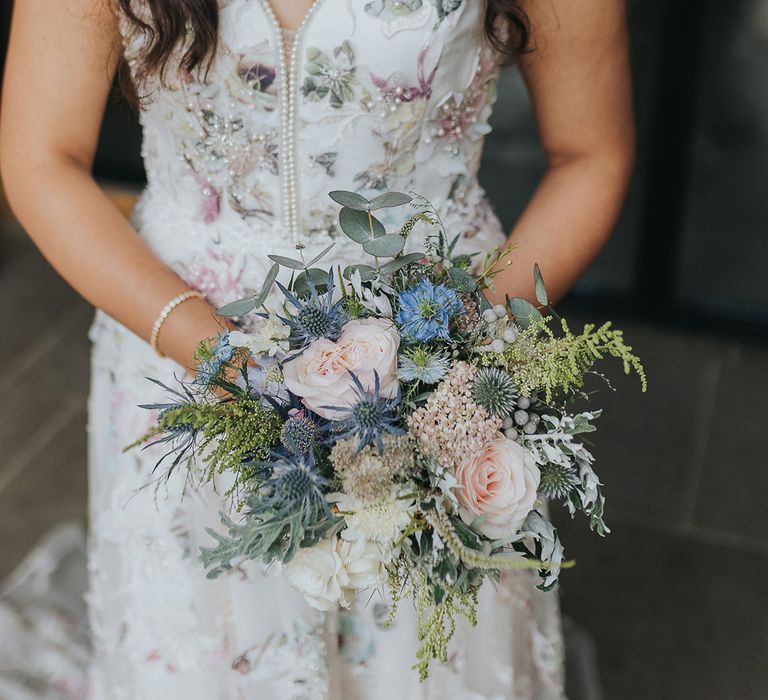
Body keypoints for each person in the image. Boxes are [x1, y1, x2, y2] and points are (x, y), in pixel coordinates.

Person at [0, 0, 633, 697]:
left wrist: (448, 354)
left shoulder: (446, 360)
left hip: (437, 360)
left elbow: (590, 154)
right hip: (173, 346)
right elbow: (41, 157)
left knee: (416, 643)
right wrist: (219, 357)